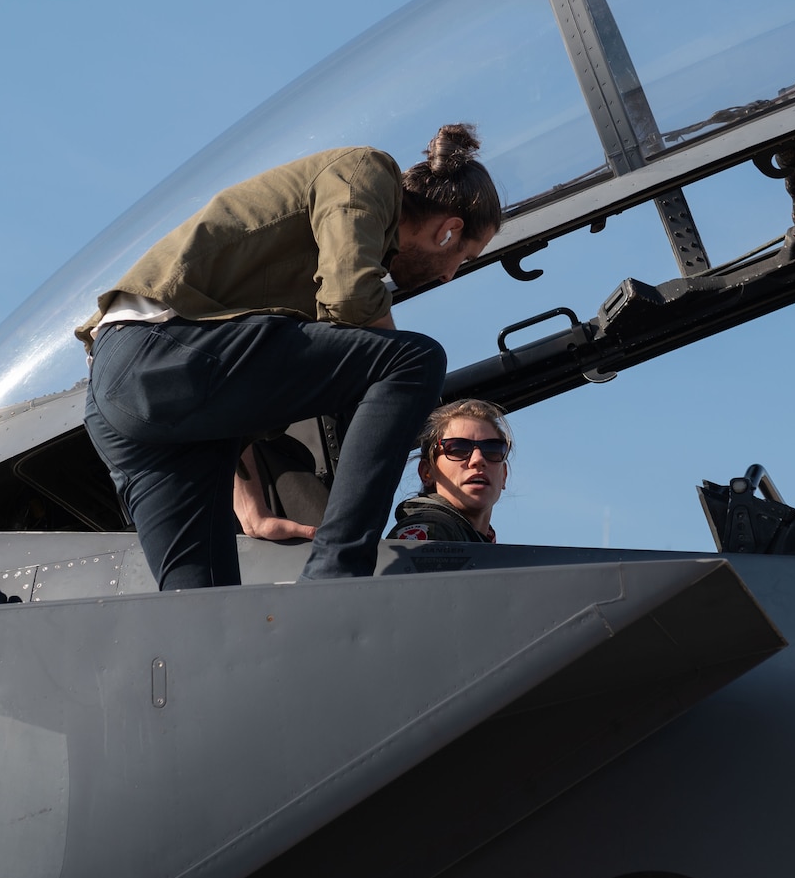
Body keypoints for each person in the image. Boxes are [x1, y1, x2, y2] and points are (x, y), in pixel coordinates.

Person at [80, 127, 501, 589]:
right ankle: (334, 576)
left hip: (124, 396)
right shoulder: (366, 170)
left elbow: (226, 394)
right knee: (416, 360)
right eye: (463, 258)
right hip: (159, 352)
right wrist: (407, 377)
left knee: (204, 607)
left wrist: (252, 507)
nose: (447, 277)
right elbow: (349, 296)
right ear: (448, 231)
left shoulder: (298, 276)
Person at [387, 399, 513, 544]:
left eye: (492, 450)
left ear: (504, 475)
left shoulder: (483, 547)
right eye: (458, 449)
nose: (478, 460)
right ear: (427, 472)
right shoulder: (431, 530)